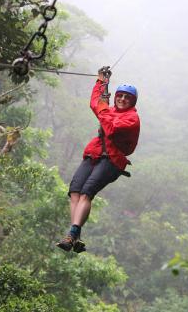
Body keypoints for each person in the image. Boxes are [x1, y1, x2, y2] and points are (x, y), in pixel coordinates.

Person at [56, 66, 141, 253]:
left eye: (127, 98)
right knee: (75, 191)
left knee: (87, 192)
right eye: (120, 96)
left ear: (132, 102)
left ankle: (73, 233)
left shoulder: (131, 119)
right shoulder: (109, 110)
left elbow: (111, 126)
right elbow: (95, 103)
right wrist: (101, 83)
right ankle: (74, 236)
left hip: (112, 160)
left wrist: (103, 106)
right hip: (95, 153)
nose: (122, 99)